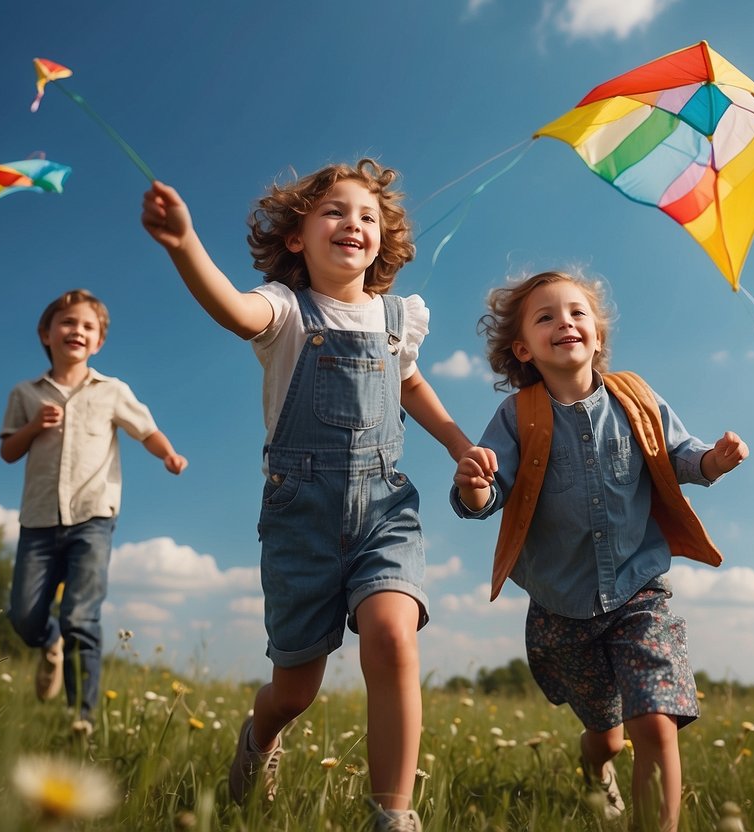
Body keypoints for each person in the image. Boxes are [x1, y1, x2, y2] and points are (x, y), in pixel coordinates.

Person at [141, 159, 483, 831]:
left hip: (385, 508)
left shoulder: (398, 319)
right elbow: (234, 311)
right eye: (333, 211)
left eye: (366, 215)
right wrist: (184, 246)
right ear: (296, 237)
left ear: (382, 238)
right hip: (301, 516)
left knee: (391, 637)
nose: (352, 223)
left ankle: (393, 816)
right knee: (295, 690)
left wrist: (456, 442)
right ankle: (260, 735)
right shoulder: (282, 309)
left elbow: (409, 385)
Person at [450, 271, 747, 831]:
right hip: (562, 608)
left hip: (639, 593)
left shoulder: (634, 397)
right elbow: (492, 492)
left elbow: (678, 454)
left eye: (577, 312)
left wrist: (712, 461)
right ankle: (594, 770)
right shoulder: (519, 416)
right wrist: (475, 486)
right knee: (607, 737)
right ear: (523, 348)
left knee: (656, 724)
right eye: (546, 317)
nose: (565, 322)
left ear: (597, 334)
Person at [0, 288, 187, 733]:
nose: (76, 331)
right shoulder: (25, 393)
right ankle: (49, 643)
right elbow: (8, 451)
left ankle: (79, 719)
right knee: (24, 617)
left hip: (93, 519)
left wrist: (168, 454)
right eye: (67, 323)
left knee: (81, 616)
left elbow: (146, 430)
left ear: (99, 341)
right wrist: (32, 426)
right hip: (39, 521)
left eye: (87, 326)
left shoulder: (112, 391)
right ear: (46, 333)